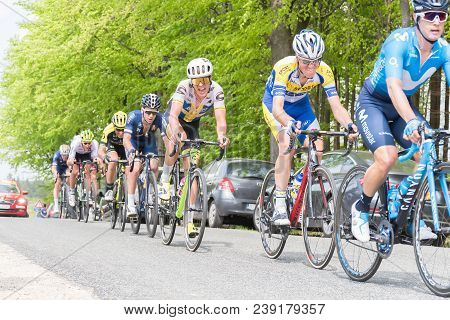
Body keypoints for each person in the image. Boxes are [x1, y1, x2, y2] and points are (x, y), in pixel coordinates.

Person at [351, 0, 450, 242]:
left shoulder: (444, 50)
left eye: (442, 16)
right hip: (373, 103)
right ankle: (361, 209)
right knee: (387, 157)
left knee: (429, 156)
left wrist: (409, 118)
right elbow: (393, 86)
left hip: (402, 107)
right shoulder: (399, 41)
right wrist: (411, 121)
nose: (436, 21)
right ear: (417, 17)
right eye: (430, 15)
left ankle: (406, 205)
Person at [262, 29, 358, 226]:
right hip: (276, 106)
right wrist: (288, 123)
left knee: (318, 147)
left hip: (301, 106)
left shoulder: (324, 71)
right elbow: (277, 108)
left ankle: (297, 181)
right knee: (287, 144)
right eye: (306, 62)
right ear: (297, 58)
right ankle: (280, 203)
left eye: (316, 61)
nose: (311, 66)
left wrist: (349, 124)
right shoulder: (283, 68)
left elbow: (337, 106)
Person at [159, 58, 230, 202]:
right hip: (173, 119)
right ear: (191, 81)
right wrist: (177, 132)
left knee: (192, 164)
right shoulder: (184, 87)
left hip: (192, 124)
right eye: (197, 81)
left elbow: (220, 119)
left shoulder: (217, 90)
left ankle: (189, 218)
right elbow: (173, 115)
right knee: (176, 143)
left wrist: (221, 135)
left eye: (205, 79)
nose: (202, 84)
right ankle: (165, 179)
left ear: (210, 78)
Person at [123, 94, 163, 218]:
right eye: (148, 112)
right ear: (142, 110)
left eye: (154, 113)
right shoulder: (133, 116)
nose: (151, 116)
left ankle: (150, 192)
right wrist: (130, 151)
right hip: (133, 141)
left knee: (155, 165)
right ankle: (130, 203)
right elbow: (126, 139)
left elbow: (166, 137)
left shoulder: (159, 118)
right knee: (135, 166)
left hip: (147, 141)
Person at [98, 111, 128, 201]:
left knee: (130, 168)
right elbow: (101, 149)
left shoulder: (131, 128)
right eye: (118, 130)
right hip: (113, 147)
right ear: (113, 126)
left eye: (123, 129)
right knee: (113, 160)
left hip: (125, 147)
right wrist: (103, 157)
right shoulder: (108, 130)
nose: (121, 133)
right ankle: (109, 189)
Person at [67, 130, 100, 207]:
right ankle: (71, 192)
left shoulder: (95, 144)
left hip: (87, 155)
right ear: (81, 141)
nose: (87, 145)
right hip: (77, 154)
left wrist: (96, 161)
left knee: (87, 172)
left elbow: (94, 157)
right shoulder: (76, 143)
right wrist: (72, 162)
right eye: (85, 143)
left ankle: (88, 195)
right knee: (75, 171)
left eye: (89, 143)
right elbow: (70, 159)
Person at [51, 144, 70, 210]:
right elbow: (53, 168)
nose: (65, 157)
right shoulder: (57, 155)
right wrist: (56, 173)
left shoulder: (71, 155)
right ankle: (56, 204)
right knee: (57, 182)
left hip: (67, 167)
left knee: (69, 177)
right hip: (58, 168)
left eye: (66, 155)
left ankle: (69, 192)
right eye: (63, 155)